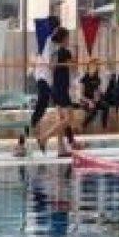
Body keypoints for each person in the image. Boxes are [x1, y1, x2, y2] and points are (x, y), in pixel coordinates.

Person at [35, 27, 77, 155]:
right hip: (61, 89)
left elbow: (51, 67)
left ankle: (61, 149)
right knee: (69, 118)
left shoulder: (54, 51)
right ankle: (44, 138)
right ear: (63, 39)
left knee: (61, 119)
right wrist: (74, 56)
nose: (69, 40)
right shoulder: (65, 52)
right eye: (68, 38)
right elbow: (74, 68)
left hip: (55, 87)